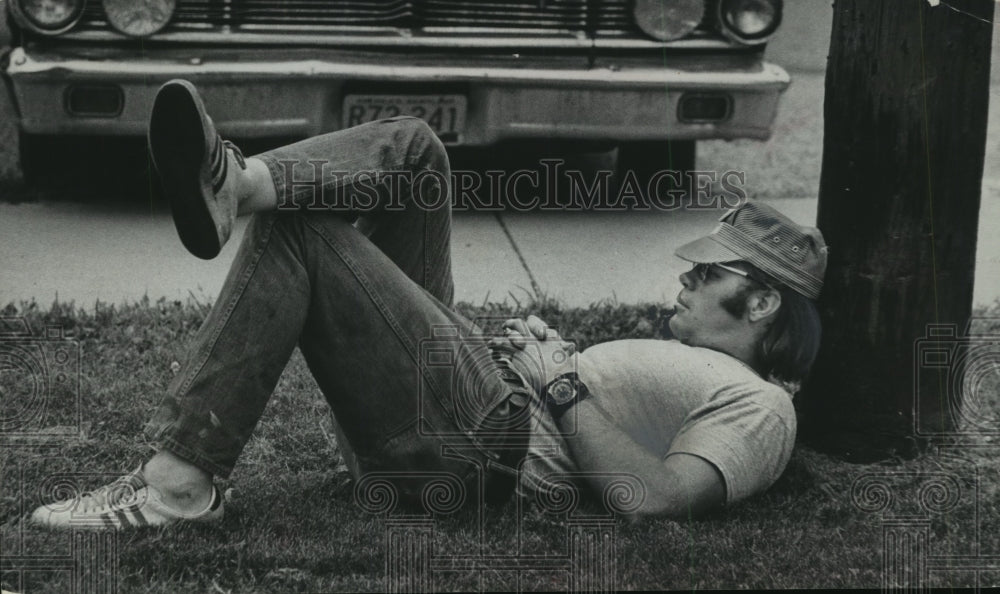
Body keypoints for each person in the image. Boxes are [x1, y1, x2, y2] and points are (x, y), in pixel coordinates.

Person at [29, 79, 827, 530]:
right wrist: (544, 357)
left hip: (480, 450)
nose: (685, 281)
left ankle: (177, 486)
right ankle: (239, 183)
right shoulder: (699, 366)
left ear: (761, 301)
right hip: (470, 404)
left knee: (299, 234)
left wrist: (558, 381)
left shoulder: (761, 410)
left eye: (708, 274)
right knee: (414, 149)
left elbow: (654, 500)